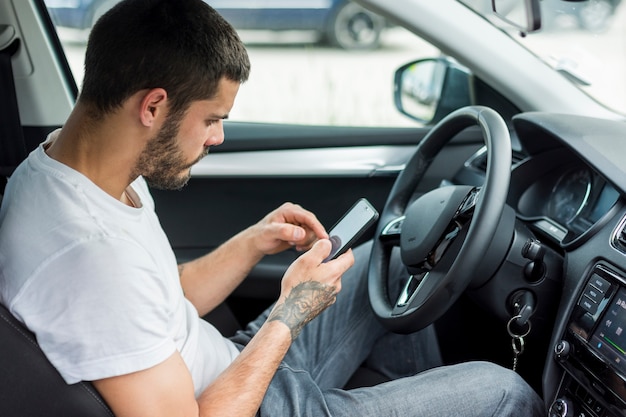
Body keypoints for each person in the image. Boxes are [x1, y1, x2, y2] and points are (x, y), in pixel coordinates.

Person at [0, 0, 546, 415]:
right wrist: (288, 313)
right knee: (505, 391)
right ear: (153, 106)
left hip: (236, 365)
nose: (216, 138)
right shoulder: (88, 256)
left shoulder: (71, 166)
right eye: (213, 119)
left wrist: (253, 241)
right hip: (249, 403)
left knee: (396, 256)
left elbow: (166, 297)